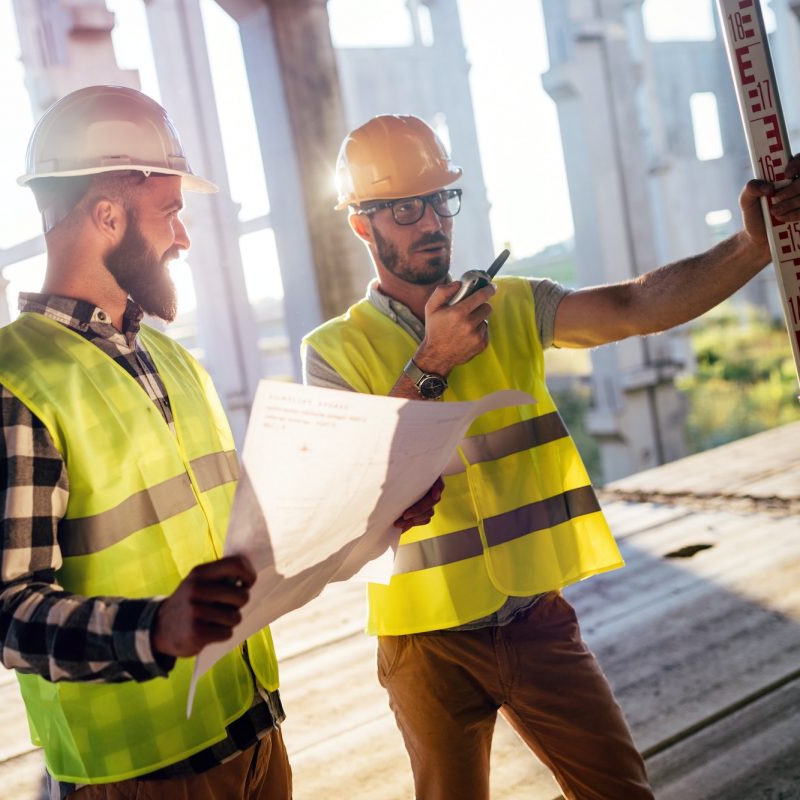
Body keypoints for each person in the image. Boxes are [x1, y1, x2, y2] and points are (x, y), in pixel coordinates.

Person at [0, 88, 440, 800]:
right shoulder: (6, 383)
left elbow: (239, 546)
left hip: (252, 728)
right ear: (107, 216)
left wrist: (372, 516)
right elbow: (9, 614)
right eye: (171, 212)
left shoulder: (174, 363)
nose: (184, 237)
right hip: (142, 776)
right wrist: (155, 629)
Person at [301, 113, 800, 800]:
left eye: (442, 200)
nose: (433, 223)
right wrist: (430, 362)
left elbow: (633, 305)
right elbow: (351, 491)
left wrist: (749, 248)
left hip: (534, 619)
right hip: (426, 644)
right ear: (363, 224)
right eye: (408, 208)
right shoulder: (332, 352)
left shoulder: (510, 304)